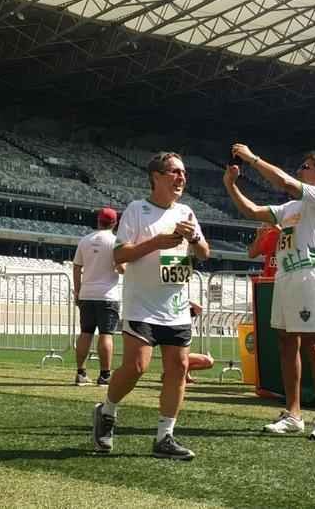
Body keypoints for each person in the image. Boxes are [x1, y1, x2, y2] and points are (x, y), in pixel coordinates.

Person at [92, 152, 210, 461]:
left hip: (176, 306)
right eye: (174, 171)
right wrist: (157, 243)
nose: (181, 177)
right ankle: (107, 411)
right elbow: (119, 255)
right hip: (142, 306)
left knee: (179, 368)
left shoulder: (186, 212)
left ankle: (164, 437)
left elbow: (204, 252)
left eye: (183, 172)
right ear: (156, 176)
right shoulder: (136, 210)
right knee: (137, 367)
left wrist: (195, 237)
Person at [223, 145, 315, 441]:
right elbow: (252, 211)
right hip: (286, 275)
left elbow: (285, 182)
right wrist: (230, 185)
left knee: (313, 343)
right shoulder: (290, 208)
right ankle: (294, 414)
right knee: (286, 342)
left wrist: (252, 158)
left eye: (306, 166)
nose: (300, 170)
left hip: (309, 274)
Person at [72, 206, 123, 386]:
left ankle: (81, 372)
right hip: (108, 294)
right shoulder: (116, 241)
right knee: (106, 334)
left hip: (87, 292)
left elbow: (77, 267)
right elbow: (121, 268)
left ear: (98, 221)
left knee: (85, 333)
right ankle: (105, 375)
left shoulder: (85, 240)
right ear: (115, 223)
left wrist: (77, 291)